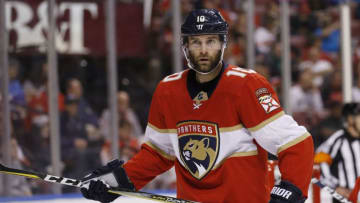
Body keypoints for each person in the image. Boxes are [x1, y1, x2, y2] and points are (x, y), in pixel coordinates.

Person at [80, 8, 314, 203]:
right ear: (185, 46)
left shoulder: (246, 85)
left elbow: (295, 143)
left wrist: (290, 188)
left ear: (223, 44)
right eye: (196, 42)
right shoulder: (168, 90)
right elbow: (158, 154)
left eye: (211, 41)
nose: (203, 50)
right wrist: (116, 181)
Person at [315, 103, 360, 203]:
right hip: (345, 198)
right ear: (350, 119)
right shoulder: (339, 140)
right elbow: (318, 162)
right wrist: (334, 186)